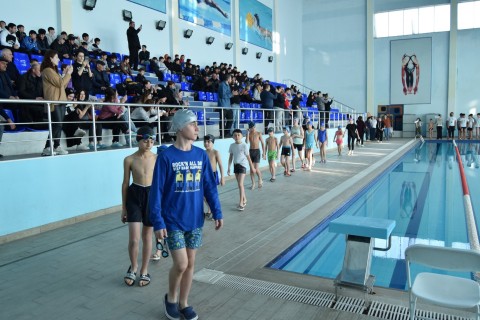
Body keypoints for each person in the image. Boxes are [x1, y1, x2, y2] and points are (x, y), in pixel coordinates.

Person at [149, 109, 223, 320]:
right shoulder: (166, 157)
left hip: (195, 219)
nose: (197, 128)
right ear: (181, 127)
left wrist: (216, 211)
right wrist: (157, 221)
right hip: (172, 220)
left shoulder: (200, 155)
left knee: (190, 264)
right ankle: (171, 299)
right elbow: (156, 192)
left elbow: (209, 186)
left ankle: (184, 302)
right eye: (193, 124)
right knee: (180, 264)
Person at [121, 126, 157, 287]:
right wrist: (123, 207)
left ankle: (144, 269)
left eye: (152, 140)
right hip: (134, 195)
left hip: (151, 195)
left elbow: (161, 183)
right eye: (146, 140)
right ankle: (133, 266)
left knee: (147, 236)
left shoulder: (157, 158)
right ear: (139, 140)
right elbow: (125, 183)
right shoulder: (129, 159)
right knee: (134, 239)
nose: (149, 143)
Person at [40, 49, 73, 156]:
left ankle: (56, 146)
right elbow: (60, 83)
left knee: (59, 125)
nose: (59, 59)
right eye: (56, 57)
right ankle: (47, 147)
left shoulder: (54, 71)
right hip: (55, 102)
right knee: (57, 125)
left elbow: (62, 85)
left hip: (61, 101)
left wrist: (64, 74)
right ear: (50, 58)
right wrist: (68, 74)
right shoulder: (48, 70)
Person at [228, 128, 254, 211]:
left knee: (240, 184)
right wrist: (229, 167)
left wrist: (252, 167)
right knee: (240, 185)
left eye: (238, 135)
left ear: (242, 136)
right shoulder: (232, 145)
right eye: (235, 135)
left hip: (243, 165)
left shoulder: (244, 145)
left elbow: (248, 157)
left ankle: (241, 203)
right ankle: (245, 199)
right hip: (236, 165)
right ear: (233, 137)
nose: (237, 136)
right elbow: (231, 157)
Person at [203, 134, 225, 219]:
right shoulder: (203, 153)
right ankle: (210, 209)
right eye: (205, 141)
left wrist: (222, 177)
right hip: (204, 176)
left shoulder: (215, 152)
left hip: (212, 175)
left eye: (208, 141)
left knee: (212, 195)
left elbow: (220, 165)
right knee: (204, 196)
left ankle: (214, 212)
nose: (206, 143)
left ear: (212, 142)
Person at [245, 121, 265, 190]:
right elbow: (247, 142)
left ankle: (260, 179)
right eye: (250, 128)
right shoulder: (249, 134)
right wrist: (247, 133)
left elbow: (262, 143)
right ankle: (253, 183)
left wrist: (264, 153)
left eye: (252, 127)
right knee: (251, 170)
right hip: (251, 151)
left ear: (254, 127)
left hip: (257, 151)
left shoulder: (258, 133)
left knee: (256, 169)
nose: (251, 129)